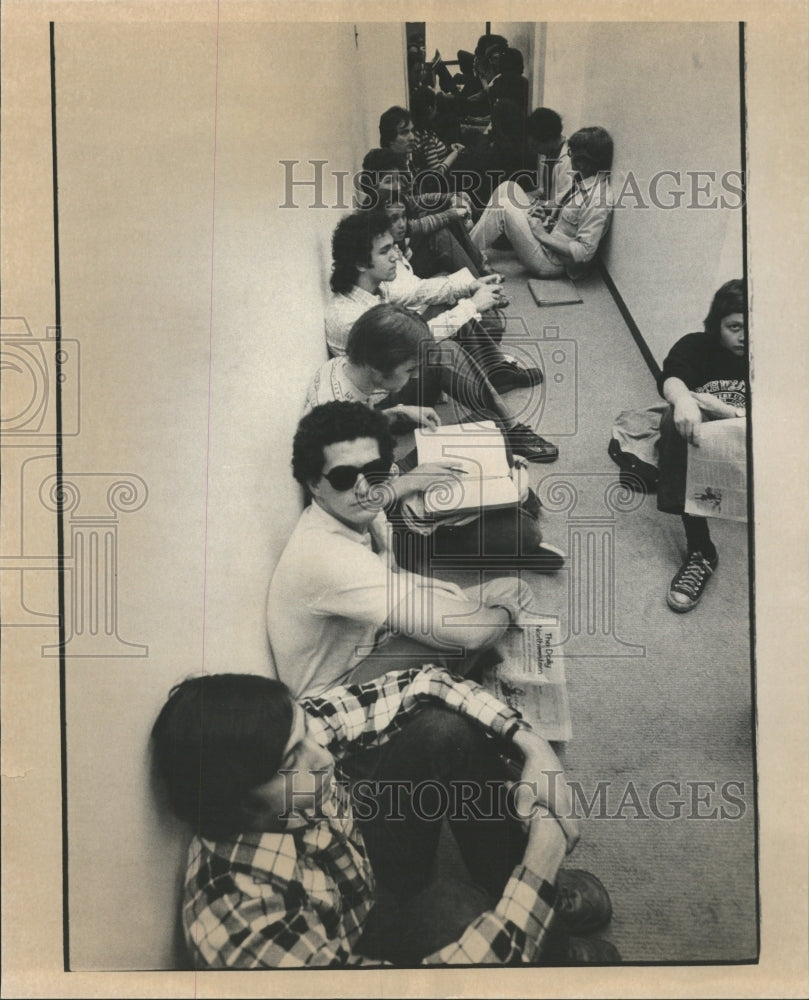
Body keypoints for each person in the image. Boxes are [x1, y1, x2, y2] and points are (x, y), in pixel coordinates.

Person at [151, 665, 621, 967]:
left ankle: (520, 898)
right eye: (293, 760)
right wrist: (542, 859)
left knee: (442, 732)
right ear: (238, 803)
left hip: (363, 866)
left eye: (307, 734)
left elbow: (425, 682)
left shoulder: (283, 739)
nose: (324, 757)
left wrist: (533, 747)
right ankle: (548, 951)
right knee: (455, 910)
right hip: (355, 948)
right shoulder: (237, 920)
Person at [266, 400, 549, 698]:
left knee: (510, 589)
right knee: (491, 617)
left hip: (373, 636)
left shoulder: (360, 508)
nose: (365, 488)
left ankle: (460, 678)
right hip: (337, 693)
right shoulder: (330, 555)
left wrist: (450, 592)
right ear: (313, 484)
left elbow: (396, 572)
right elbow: (472, 634)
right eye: (343, 478)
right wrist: (504, 612)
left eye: (375, 471)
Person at [305, 305, 566, 576]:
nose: (416, 376)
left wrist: (397, 412)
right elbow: (347, 508)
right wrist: (411, 481)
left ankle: (501, 497)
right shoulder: (340, 429)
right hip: (391, 513)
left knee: (489, 422)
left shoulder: (339, 368)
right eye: (410, 369)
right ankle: (496, 522)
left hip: (388, 473)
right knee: (524, 533)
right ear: (377, 367)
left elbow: (362, 423)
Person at [324, 210, 558, 461]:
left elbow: (419, 290)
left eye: (393, 247)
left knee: (452, 309)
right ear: (360, 263)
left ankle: (496, 372)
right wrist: (471, 306)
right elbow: (414, 341)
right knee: (445, 348)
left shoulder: (368, 287)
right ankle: (511, 428)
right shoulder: (350, 317)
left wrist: (470, 286)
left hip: (393, 379)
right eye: (384, 252)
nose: (395, 256)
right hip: (385, 404)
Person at [657, 279, 748, 612]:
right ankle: (701, 550)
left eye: (752, 327)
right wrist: (682, 400)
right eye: (734, 327)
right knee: (671, 421)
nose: (744, 336)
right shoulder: (698, 346)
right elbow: (673, 374)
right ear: (717, 325)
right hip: (708, 450)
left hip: (757, 450)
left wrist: (730, 411)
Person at [469, 126, 615, 280]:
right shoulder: (584, 181)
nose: (569, 156)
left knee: (504, 206)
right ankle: (471, 248)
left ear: (584, 163)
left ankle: (467, 255)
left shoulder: (599, 199)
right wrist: (545, 216)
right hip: (548, 238)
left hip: (552, 262)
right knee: (508, 187)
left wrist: (542, 234)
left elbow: (584, 252)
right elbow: (565, 220)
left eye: (571, 153)